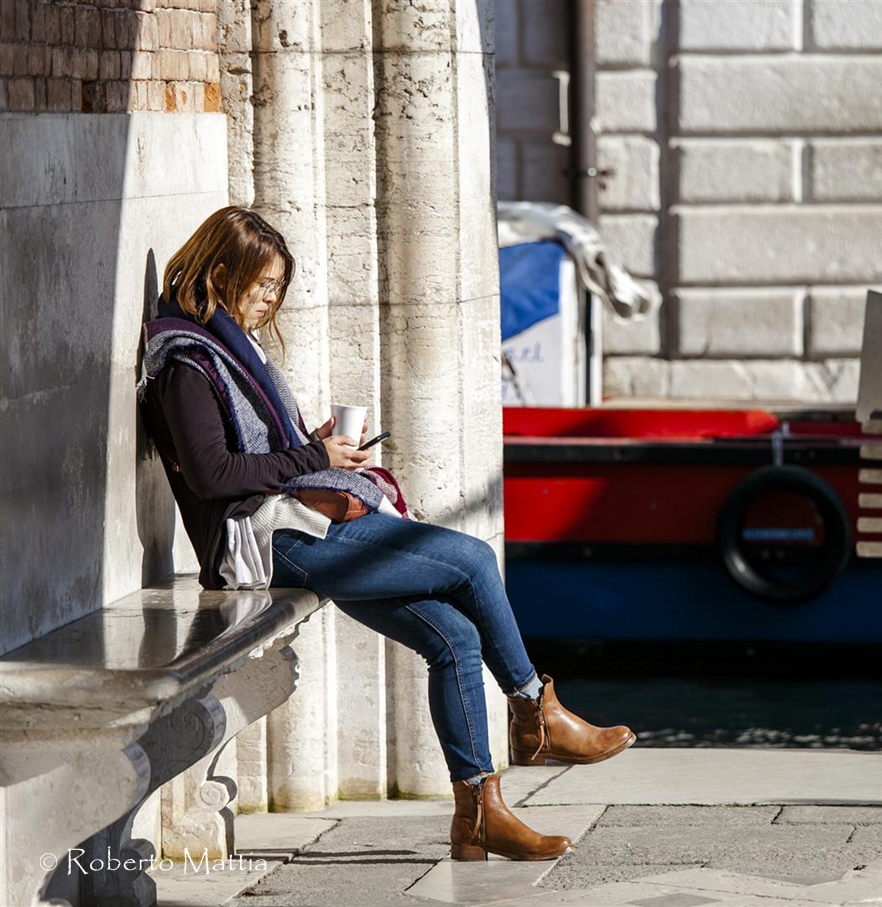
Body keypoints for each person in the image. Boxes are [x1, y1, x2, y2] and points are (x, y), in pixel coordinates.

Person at [138, 205, 635, 862]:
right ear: (222, 272)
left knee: (455, 637)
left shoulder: (226, 347)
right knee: (474, 559)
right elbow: (213, 474)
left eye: (276, 290)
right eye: (262, 286)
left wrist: (312, 446)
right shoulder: (188, 360)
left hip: (290, 522)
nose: (268, 301)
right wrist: (315, 459)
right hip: (265, 543)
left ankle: (478, 817)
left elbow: (246, 456)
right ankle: (533, 709)